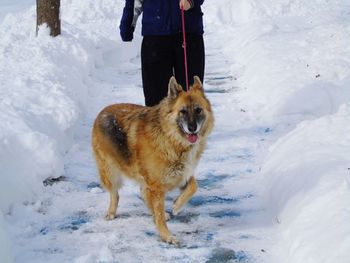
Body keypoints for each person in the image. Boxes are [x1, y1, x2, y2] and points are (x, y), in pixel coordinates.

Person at [120, 0, 205, 106]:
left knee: (191, 100)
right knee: (156, 102)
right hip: (155, 37)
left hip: (188, 34)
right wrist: (127, 25)